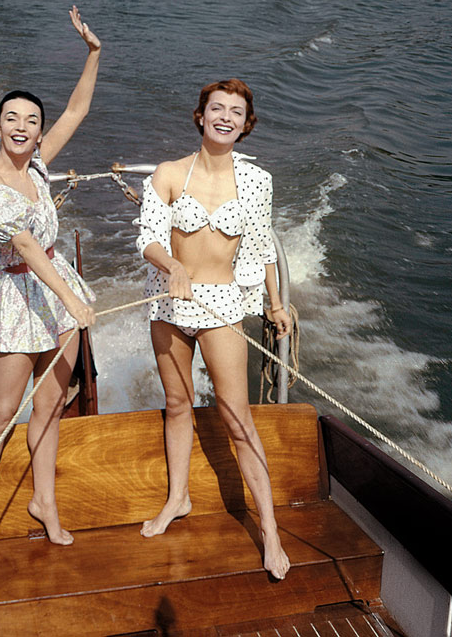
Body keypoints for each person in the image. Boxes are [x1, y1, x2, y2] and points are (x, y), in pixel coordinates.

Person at [0, 6, 99, 561]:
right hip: (19, 296)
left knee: (51, 407)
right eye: (11, 118)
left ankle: (44, 503)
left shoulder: (36, 164)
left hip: (57, 290)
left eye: (31, 120)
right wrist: (73, 300)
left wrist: (94, 52)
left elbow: (76, 110)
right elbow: (28, 249)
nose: (22, 126)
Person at [135, 78, 293, 580]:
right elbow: (148, 239)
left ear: (246, 125)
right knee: (177, 404)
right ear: (200, 116)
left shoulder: (258, 181)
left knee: (237, 418)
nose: (225, 117)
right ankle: (177, 499)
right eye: (217, 108)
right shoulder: (169, 173)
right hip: (170, 300)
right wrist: (172, 266)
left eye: (236, 111)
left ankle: (269, 530)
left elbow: (262, 247)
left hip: (223, 304)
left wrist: (275, 304)